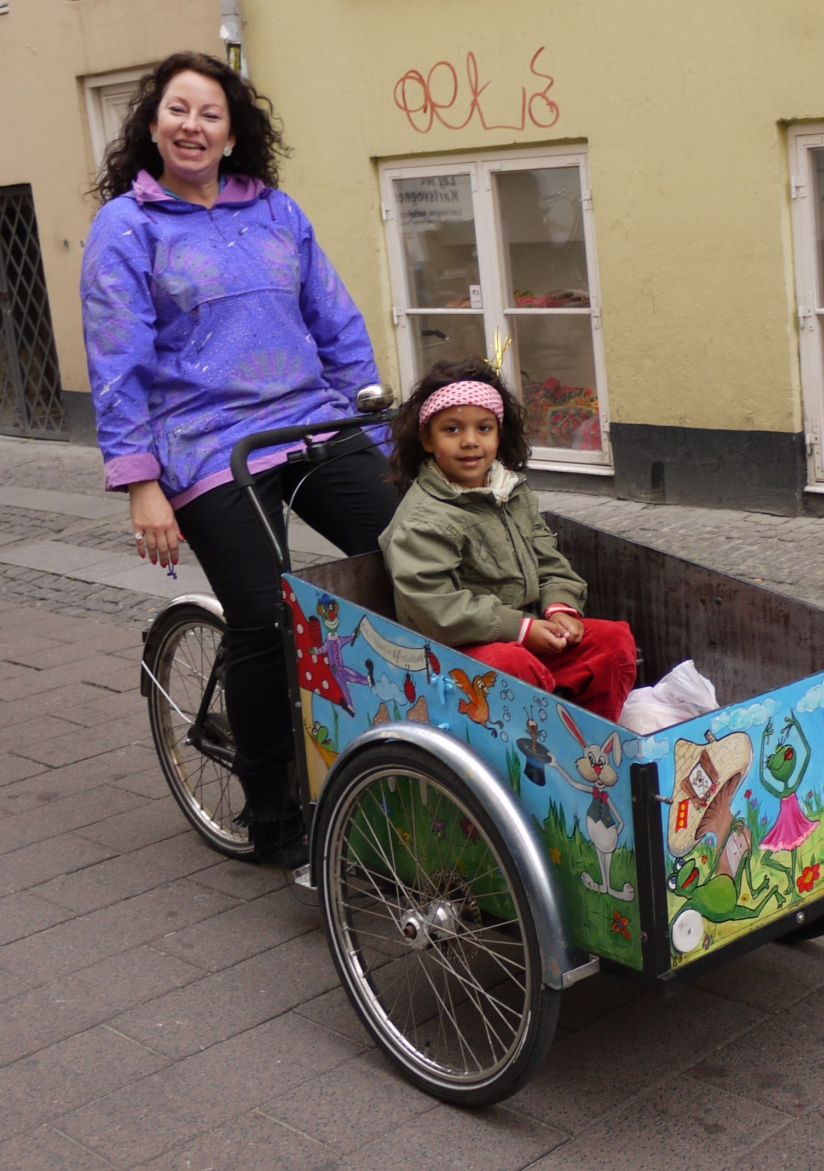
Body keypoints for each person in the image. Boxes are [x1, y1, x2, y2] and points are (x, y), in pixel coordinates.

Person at [81, 52, 397, 865]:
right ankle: (273, 816)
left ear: (231, 132)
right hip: (206, 441)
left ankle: (386, 746)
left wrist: (380, 436)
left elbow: (336, 322)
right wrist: (141, 482)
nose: (192, 125)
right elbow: (117, 360)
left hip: (310, 419)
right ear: (153, 125)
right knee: (263, 613)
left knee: (408, 551)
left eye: (210, 113)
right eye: (177, 109)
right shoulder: (129, 225)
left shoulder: (275, 210)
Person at [379, 357, 637, 721]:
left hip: (524, 631)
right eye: (452, 430)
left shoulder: (510, 491)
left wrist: (559, 606)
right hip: (455, 651)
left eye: (484, 428)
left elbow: (547, 557)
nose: (470, 441)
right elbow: (436, 608)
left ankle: (593, 734)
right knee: (512, 666)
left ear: (499, 436)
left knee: (612, 641)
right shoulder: (422, 519)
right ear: (427, 440)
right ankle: (537, 742)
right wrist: (521, 629)